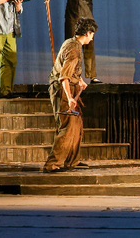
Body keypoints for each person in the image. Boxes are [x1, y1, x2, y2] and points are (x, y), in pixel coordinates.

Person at [44, 0, 116, 84]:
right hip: (74, 17)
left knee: (89, 46)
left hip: (88, 17)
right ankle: (70, 75)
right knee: (72, 46)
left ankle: (92, 76)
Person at [43, 18, 98, 173]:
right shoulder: (74, 49)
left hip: (69, 87)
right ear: (87, 33)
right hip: (62, 90)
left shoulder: (72, 43)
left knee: (76, 125)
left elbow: (69, 70)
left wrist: (80, 81)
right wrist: (69, 98)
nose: (92, 38)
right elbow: (64, 77)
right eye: (92, 35)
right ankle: (53, 163)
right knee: (67, 126)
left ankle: (71, 160)